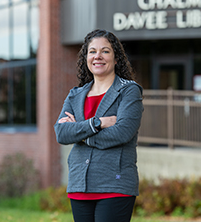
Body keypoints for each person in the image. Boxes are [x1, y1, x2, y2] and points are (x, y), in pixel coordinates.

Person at [54, 29, 144, 222]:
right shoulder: (75, 95)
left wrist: (79, 132)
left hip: (115, 184)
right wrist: (97, 123)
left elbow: (122, 133)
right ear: (86, 58)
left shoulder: (128, 91)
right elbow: (62, 133)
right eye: (92, 51)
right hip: (80, 184)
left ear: (116, 58)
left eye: (105, 51)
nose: (98, 56)